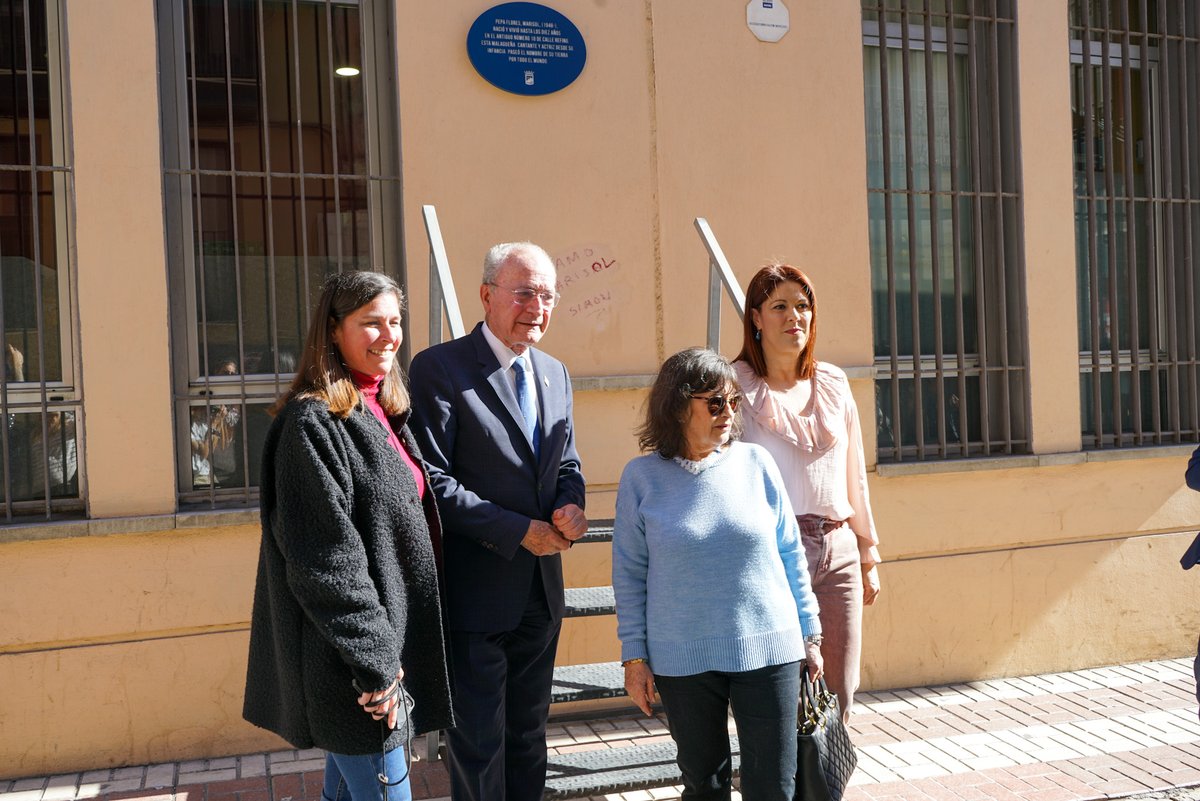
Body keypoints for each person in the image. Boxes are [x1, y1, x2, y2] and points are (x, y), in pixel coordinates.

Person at [243, 271, 452, 801]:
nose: (388, 335)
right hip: (356, 669)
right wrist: (377, 666)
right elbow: (324, 561)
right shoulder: (312, 423)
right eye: (370, 323)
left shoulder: (380, 407)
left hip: (381, 650)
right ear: (333, 331)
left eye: (395, 322)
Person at [408, 242, 588, 801]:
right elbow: (431, 482)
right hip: (476, 598)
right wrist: (520, 531)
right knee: (479, 750)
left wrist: (571, 503)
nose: (537, 305)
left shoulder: (555, 372)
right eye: (524, 291)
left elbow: (567, 462)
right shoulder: (440, 368)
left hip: (540, 595)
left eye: (547, 294)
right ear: (487, 295)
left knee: (529, 742)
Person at [612, 347, 823, 801]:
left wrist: (810, 633)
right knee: (704, 787)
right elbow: (629, 574)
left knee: (774, 789)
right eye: (714, 403)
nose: (728, 413)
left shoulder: (756, 464)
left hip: (770, 649)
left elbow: (791, 552)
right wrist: (634, 657)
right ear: (677, 406)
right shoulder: (641, 478)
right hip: (682, 657)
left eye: (732, 401)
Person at [733, 263, 882, 723]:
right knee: (784, 694)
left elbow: (853, 472)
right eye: (779, 306)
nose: (794, 316)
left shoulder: (834, 382)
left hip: (838, 552)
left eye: (803, 305)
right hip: (771, 555)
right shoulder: (733, 385)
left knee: (839, 696)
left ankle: (826, 790)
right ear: (755, 317)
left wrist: (867, 554)